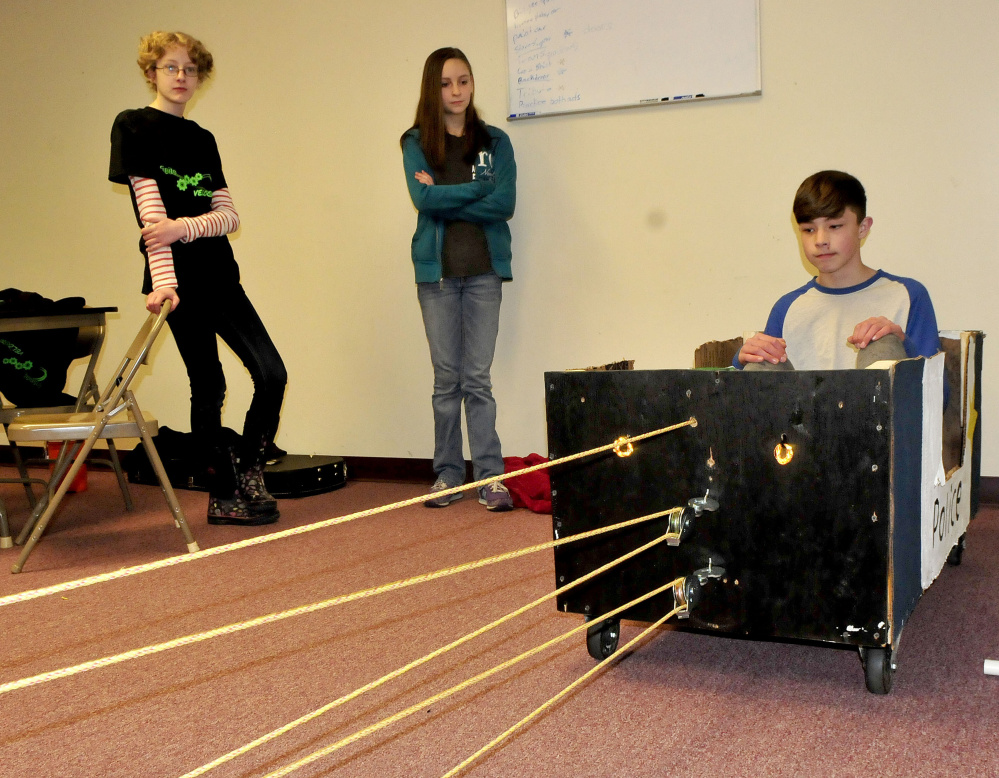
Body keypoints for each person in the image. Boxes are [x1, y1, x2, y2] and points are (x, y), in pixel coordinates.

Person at [109, 31, 286, 526]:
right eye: (171, 67)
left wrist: (182, 227)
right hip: (176, 284)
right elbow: (150, 217)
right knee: (208, 385)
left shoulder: (203, 139)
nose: (181, 76)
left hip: (221, 276)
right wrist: (163, 281)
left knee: (272, 373)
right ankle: (223, 493)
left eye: (190, 69)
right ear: (151, 73)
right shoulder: (133, 126)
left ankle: (251, 469)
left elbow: (228, 216)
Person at [400, 47, 516, 511]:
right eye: (447, 83)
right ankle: (448, 475)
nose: (456, 91)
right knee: (446, 380)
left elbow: (504, 204)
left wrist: (444, 194)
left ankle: (491, 477)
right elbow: (421, 202)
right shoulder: (415, 141)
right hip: (438, 276)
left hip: (485, 273)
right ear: (434, 88)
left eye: (463, 81)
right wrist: (474, 191)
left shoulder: (495, 141)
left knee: (478, 379)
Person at [734, 170, 941, 371]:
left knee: (883, 343)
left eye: (834, 226)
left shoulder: (907, 294)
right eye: (809, 230)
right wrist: (742, 359)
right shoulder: (787, 308)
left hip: (883, 405)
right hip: (800, 407)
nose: (821, 240)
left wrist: (902, 343)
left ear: (863, 228)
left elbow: (938, 395)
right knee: (760, 361)